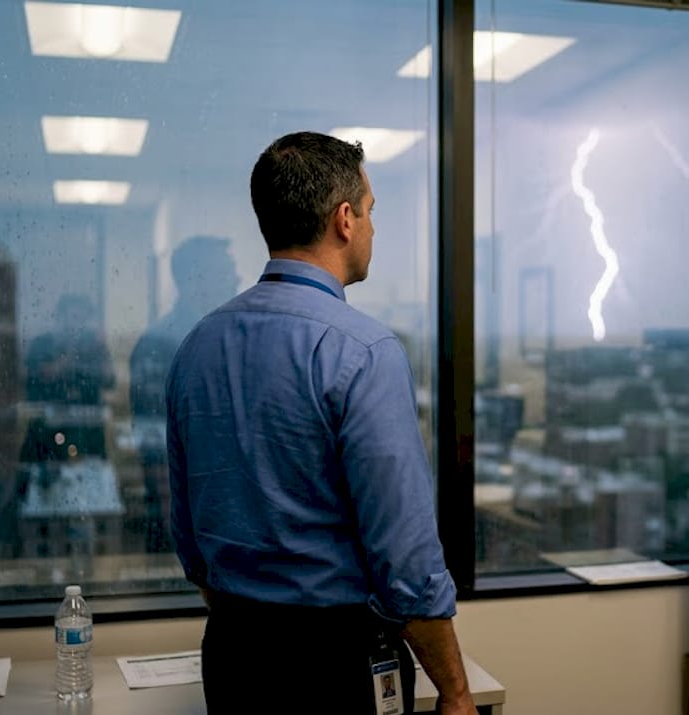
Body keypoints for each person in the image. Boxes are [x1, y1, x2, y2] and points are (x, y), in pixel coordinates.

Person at [166, 131, 476, 714]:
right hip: (335, 664)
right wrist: (456, 692)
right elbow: (406, 560)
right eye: (370, 211)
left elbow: (190, 537)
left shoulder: (197, 347)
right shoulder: (364, 351)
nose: (373, 228)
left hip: (233, 655)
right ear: (344, 220)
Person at [129, 235, 239, 550]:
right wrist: (175, 530)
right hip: (186, 520)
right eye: (225, 272)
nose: (236, 280)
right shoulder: (160, 344)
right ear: (194, 281)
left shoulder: (227, 335)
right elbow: (154, 439)